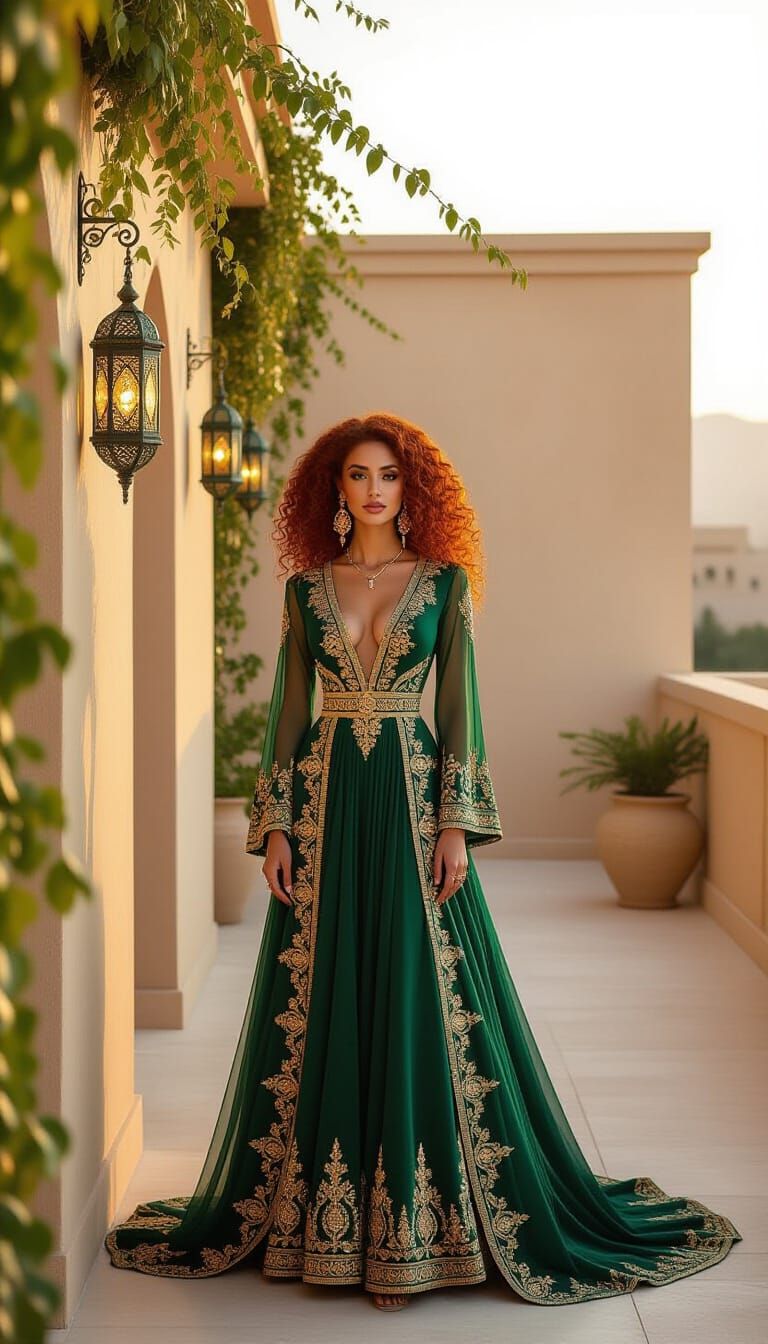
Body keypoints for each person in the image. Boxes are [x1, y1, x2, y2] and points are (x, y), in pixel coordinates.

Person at [105, 412, 741, 1310]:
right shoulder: (304, 591)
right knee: (324, 993)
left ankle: (418, 1231)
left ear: (412, 490)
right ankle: (320, 1228)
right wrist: (278, 826)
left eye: (390, 477)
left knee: (413, 991)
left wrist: (455, 825)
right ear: (336, 489)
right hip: (327, 813)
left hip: (409, 810)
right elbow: (287, 714)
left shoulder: (443, 585)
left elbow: (459, 710)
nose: (374, 490)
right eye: (360, 475)